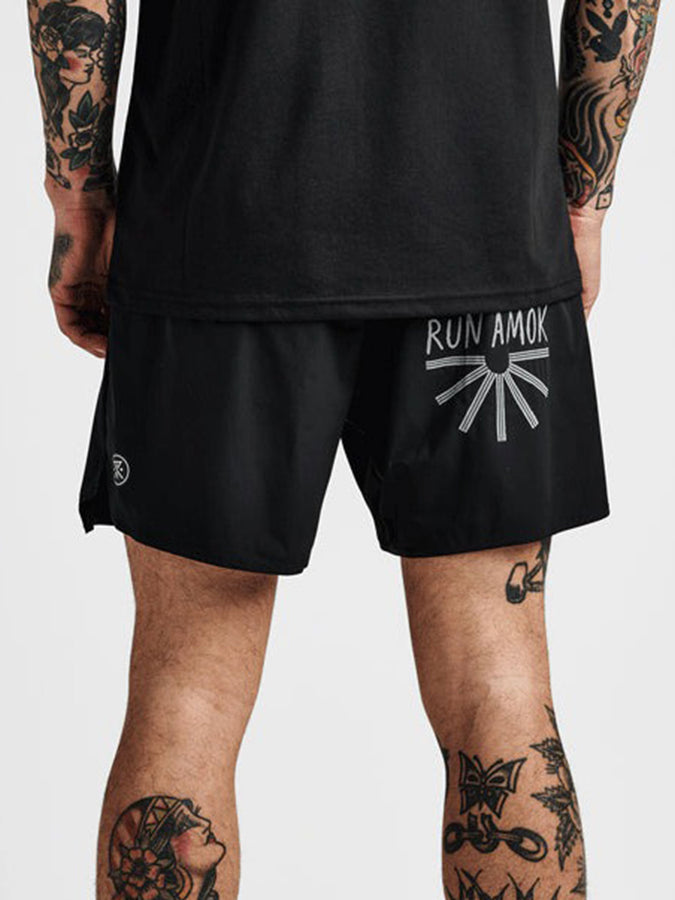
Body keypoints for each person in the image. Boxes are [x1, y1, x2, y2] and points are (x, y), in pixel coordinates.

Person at [27, 1, 661, 897]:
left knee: (186, 689)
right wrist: (583, 198)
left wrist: (78, 189)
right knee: (497, 683)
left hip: (219, 223)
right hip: (482, 224)